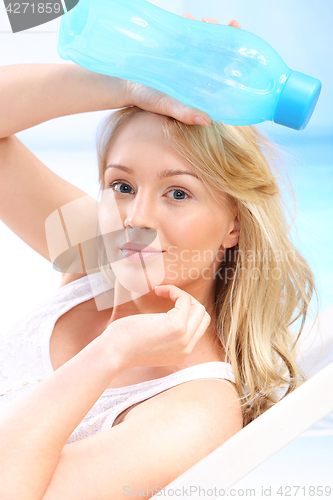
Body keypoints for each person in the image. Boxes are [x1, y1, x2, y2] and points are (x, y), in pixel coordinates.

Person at [0, 14, 317, 500]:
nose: (136, 217)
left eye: (178, 194)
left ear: (233, 224)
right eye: (122, 186)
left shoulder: (197, 410)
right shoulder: (104, 258)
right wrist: (126, 82)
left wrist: (110, 353)